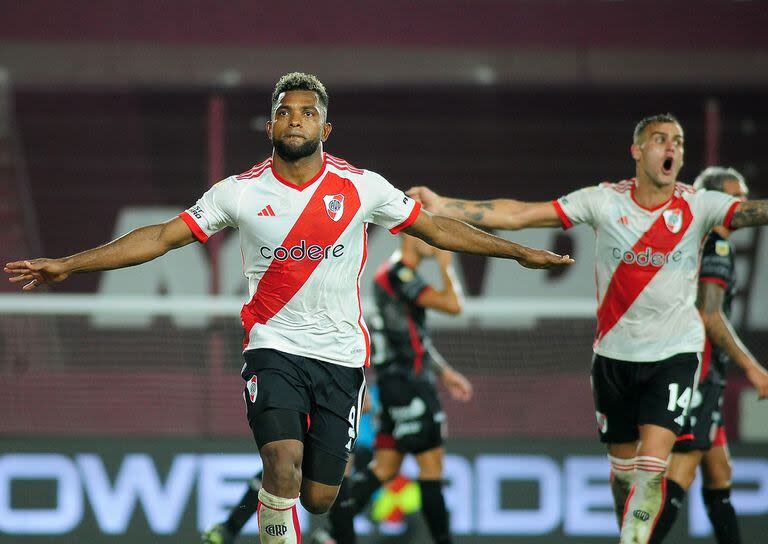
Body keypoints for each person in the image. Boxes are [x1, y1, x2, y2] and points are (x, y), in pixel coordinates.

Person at [4, 72, 572, 544]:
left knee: (320, 496)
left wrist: (516, 250)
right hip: (272, 347)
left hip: (342, 357)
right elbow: (159, 237)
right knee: (280, 461)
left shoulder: (361, 187)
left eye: (307, 111)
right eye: (284, 110)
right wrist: (68, 265)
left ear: (325, 127)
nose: (295, 118)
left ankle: (279, 513)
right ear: (272, 125)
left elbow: (437, 228)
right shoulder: (240, 193)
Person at [408, 113, 768, 544]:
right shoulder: (604, 202)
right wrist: (445, 205)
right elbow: (520, 214)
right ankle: (630, 530)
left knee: (653, 468)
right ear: (637, 151)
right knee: (623, 476)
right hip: (614, 358)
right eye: (659, 139)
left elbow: (754, 212)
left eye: (678, 141)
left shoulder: (700, 205)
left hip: (675, 355)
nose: (671, 147)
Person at [314, 233, 472, 544]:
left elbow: (411, 337)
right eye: (431, 234)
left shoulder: (392, 276)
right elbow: (453, 305)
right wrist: (446, 266)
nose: (437, 240)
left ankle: (332, 532)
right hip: (410, 385)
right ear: (412, 238)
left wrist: (444, 371)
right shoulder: (398, 274)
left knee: (385, 467)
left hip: (393, 385)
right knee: (431, 468)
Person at [649, 167, 768, 544]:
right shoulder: (715, 244)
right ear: (716, 203)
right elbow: (710, 316)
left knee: (719, 472)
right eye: (736, 196)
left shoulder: (688, 240)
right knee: (681, 472)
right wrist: (753, 368)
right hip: (696, 373)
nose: (744, 205)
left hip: (696, 369)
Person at [200, 385, 378, 544]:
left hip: (338, 399)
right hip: (315, 392)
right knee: (285, 468)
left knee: (316, 485)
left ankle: (229, 528)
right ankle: (229, 528)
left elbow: (365, 399)